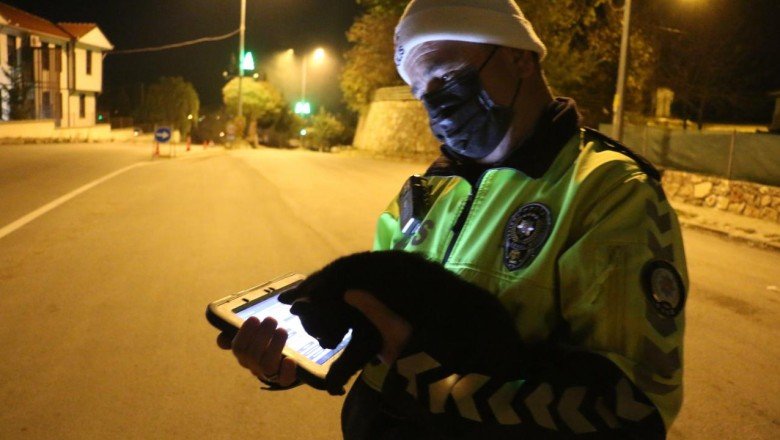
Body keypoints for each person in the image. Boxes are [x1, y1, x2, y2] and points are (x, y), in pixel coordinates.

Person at [218, 0, 688, 438]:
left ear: (520, 57)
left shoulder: (608, 191)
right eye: (422, 94)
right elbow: (375, 335)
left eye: (446, 79)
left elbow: (631, 407)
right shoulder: (426, 192)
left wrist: (425, 369)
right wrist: (296, 363)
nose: (436, 106)